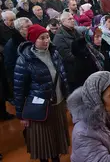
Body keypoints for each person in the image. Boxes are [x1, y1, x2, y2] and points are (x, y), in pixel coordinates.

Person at [13, 24, 70, 162]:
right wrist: (21, 115)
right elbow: (19, 89)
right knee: (44, 142)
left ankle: (56, 159)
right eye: (42, 38)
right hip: (40, 107)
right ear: (33, 40)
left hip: (57, 103)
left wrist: (67, 97)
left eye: (47, 37)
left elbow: (63, 77)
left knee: (56, 138)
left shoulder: (54, 53)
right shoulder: (25, 60)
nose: (46, 41)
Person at [4, 17, 32, 100]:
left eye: (32, 26)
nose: (31, 29)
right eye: (27, 27)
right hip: (22, 79)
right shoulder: (12, 44)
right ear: (19, 29)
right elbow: (10, 66)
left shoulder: (31, 38)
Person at [53, 12, 81, 92]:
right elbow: (67, 56)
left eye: (72, 18)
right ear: (63, 22)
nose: (73, 20)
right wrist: (82, 57)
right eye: (69, 19)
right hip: (71, 72)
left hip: (81, 68)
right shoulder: (59, 37)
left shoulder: (76, 32)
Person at [0, 11, 16, 121]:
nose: (13, 22)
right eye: (10, 20)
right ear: (4, 20)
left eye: (14, 19)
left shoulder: (14, 29)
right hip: (4, 58)